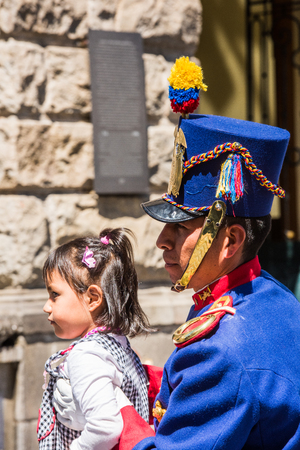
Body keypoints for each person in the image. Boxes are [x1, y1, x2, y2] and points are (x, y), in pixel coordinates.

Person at [54, 57, 300, 449]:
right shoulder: (267, 297)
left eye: (181, 227)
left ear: (231, 241)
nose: (161, 241)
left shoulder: (222, 349)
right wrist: (137, 376)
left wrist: (115, 407)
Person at [37, 227, 153, 450]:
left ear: (92, 298)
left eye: (54, 295)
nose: (46, 307)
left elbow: (105, 427)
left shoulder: (86, 354)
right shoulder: (119, 345)